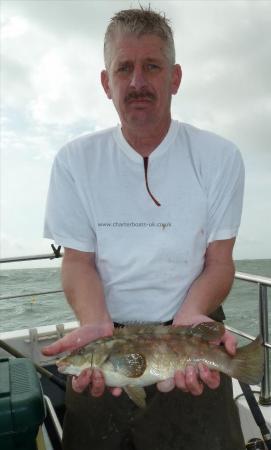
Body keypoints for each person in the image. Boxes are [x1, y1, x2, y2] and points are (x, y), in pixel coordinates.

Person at [42, 7, 246, 450]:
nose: (137, 82)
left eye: (151, 66)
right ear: (105, 82)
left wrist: (191, 320)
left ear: (174, 78)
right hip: (107, 337)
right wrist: (95, 323)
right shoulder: (75, 161)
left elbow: (218, 262)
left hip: (189, 334)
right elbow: (78, 262)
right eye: (124, 68)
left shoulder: (220, 157)